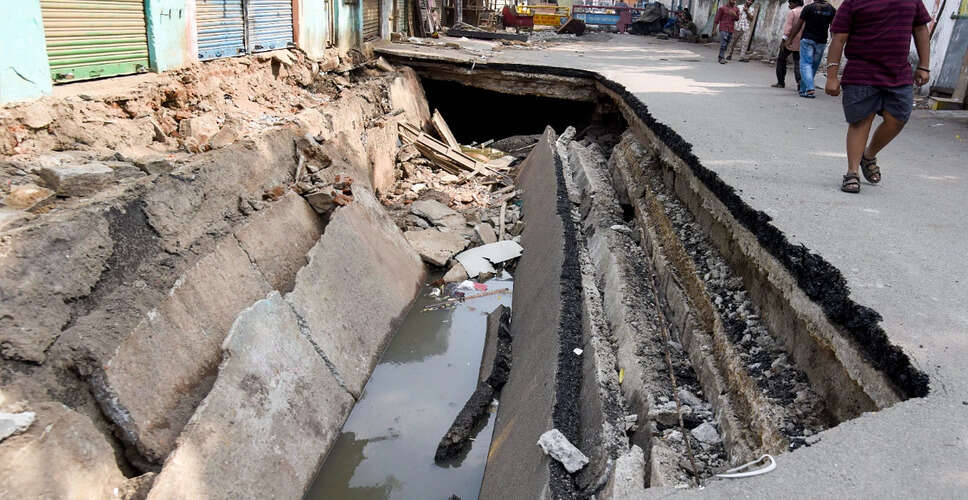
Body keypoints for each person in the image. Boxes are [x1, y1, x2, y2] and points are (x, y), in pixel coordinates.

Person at [824, 0, 932, 193]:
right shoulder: (853, 2)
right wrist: (832, 76)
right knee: (860, 120)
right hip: (861, 71)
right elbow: (839, 37)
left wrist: (924, 65)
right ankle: (852, 172)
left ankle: (868, 155)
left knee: (898, 118)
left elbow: (920, 29)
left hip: (898, 72)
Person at [787, 0, 836, 98]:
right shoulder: (831, 9)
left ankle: (809, 87)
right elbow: (833, 27)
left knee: (805, 64)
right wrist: (834, 41)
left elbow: (798, 25)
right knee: (813, 66)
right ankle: (804, 90)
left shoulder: (808, 8)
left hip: (807, 40)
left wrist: (790, 39)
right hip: (821, 41)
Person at [772, 0, 804, 88]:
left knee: (781, 60)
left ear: (796, 3)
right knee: (798, 62)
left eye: (790, 3)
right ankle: (799, 82)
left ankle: (780, 82)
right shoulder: (805, 11)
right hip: (802, 41)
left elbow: (788, 28)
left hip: (790, 40)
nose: (789, 5)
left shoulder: (792, 12)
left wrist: (783, 41)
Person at [712, 0, 740, 64]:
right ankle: (721, 58)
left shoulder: (736, 9)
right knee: (723, 43)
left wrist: (734, 14)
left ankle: (721, 56)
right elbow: (716, 19)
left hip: (731, 29)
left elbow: (737, 19)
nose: (734, 1)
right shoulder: (722, 8)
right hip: (723, 28)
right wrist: (714, 30)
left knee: (727, 44)